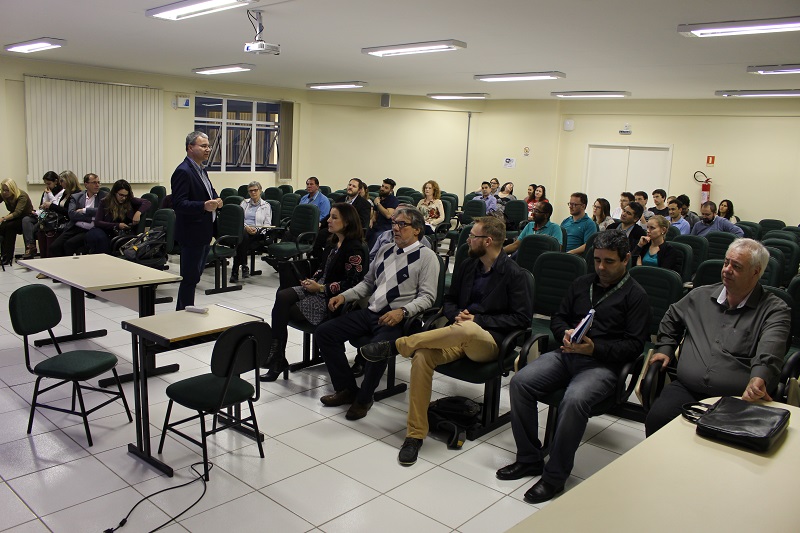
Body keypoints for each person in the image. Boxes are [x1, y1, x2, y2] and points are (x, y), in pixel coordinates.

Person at [358, 216, 533, 465]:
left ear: (488, 241)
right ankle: (415, 435)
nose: (468, 240)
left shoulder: (515, 274)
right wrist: (457, 314)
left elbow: (521, 319)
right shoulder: (468, 266)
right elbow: (448, 301)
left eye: (472, 236)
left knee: (469, 329)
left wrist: (478, 319)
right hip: (456, 333)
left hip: (489, 342)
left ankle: (397, 345)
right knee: (422, 356)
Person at [497, 230, 650, 504]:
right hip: (567, 354)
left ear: (626, 259)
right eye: (597, 260)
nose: (601, 267)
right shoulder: (582, 283)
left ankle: (554, 477)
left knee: (574, 399)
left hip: (602, 365)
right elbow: (559, 317)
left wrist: (595, 349)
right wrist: (564, 333)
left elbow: (634, 345)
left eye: (609, 261)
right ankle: (529, 458)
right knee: (520, 383)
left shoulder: (636, 296)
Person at [644, 238, 791, 436]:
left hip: (738, 398)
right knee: (657, 419)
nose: (727, 270)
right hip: (688, 388)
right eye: (726, 262)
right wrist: (665, 348)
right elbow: (672, 317)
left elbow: (771, 347)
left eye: (736, 266)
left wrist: (759, 377)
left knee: (721, 441)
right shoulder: (700, 296)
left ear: (756, 272)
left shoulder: (774, 310)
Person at [315, 206, 438, 421]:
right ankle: (346, 389)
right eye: (394, 223)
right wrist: (344, 296)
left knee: (377, 348)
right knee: (325, 333)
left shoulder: (427, 257)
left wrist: (403, 311)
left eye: (402, 224)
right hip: (372, 312)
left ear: (417, 229)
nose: (395, 228)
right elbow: (367, 283)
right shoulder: (386, 250)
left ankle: (364, 399)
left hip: (399, 318)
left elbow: (428, 297)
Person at [262, 203, 368, 381]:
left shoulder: (354, 248)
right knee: (282, 296)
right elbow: (322, 268)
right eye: (330, 216)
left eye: (334, 217)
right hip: (318, 288)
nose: (328, 220)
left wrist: (320, 288)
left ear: (347, 222)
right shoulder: (333, 242)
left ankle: (277, 360)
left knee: (283, 311)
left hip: (331, 297)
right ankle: (277, 356)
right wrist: (311, 280)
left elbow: (352, 283)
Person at [171, 131, 223, 311]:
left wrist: (217, 200)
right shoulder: (183, 171)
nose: (208, 149)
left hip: (204, 232)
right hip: (191, 233)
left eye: (208, 146)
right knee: (189, 279)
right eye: (203, 146)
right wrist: (203, 206)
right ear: (190, 148)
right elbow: (179, 204)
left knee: (194, 277)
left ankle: (185, 311)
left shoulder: (201, 170)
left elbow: (210, 192)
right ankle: (183, 313)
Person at [50, 173, 106, 258]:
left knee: (69, 244)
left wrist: (84, 210)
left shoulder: (104, 196)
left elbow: (102, 211)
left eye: (98, 182)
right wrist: (91, 217)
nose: (97, 185)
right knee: (54, 247)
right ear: (86, 184)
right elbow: (72, 214)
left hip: (90, 229)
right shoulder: (77, 196)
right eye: (94, 182)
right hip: (75, 227)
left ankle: (70, 264)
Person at [86, 179, 149, 254]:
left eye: (126, 195)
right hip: (106, 229)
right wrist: (117, 225)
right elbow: (97, 222)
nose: (123, 198)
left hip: (122, 233)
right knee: (96, 236)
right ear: (115, 193)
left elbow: (147, 202)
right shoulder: (105, 202)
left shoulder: (129, 200)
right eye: (121, 195)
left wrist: (138, 213)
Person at [35, 171, 81, 266]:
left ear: (68, 181)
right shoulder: (65, 193)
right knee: (41, 231)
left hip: (69, 223)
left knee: (51, 235)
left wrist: (51, 206)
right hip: (60, 220)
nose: (60, 183)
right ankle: (44, 263)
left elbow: (69, 212)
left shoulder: (77, 194)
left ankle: (53, 265)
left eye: (62, 181)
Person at [231, 181, 272, 283]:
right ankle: (243, 266)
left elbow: (267, 224)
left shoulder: (266, 206)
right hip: (244, 230)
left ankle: (235, 271)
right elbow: (239, 219)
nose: (253, 192)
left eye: (255, 190)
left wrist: (256, 229)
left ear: (260, 191)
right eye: (251, 191)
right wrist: (246, 227)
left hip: (258, 232)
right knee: (243, 237)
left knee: (240, 242)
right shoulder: (244, 203)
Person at [21, 171, 63, 259]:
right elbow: (42, 207)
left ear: (56, 181)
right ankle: (30, 246)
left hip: (54, 217)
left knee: (37, 227)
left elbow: (57, 206)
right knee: (26, 220)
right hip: (44, 215)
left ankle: (32, 244)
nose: (47, 186)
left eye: (49, 183)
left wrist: (50, 195)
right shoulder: (46, 192)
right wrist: (36, 212)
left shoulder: (62, 192)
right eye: (46, 184)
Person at [0, 178, 33, 264]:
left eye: (7, 190)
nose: (4, 192)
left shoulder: (22, 196)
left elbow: (17, 213)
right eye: (3, 190)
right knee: (2, 227)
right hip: (14, 218)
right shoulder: (4, 195)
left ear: (12, 189)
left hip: (26, 218)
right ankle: (3, 255)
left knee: (10, 226)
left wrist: (3, 218)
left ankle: (8, 257)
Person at [367, 178, 399, 247]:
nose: (382, 189)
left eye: (386, 188)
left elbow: (388, 215)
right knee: (365, 233)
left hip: (387, 227)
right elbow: (374, 215)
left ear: (391, 191)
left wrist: (378, 204)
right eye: (382, 186)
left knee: (377, 236)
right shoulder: (379, 199)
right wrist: (371, 220)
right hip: (377, 226)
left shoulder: (393, 200)